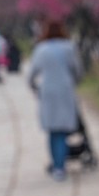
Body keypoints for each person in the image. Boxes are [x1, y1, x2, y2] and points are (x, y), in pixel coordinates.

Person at [28, 19, 83, 182]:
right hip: (65, 90)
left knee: (52, 130)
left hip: (48, 91)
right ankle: (60, 166)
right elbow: (78, 70)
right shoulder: (69, 47)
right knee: (63, 130)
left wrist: (35, 88)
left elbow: (31, 74)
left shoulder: (41, 49)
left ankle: (56, 164)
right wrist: (74, 82)